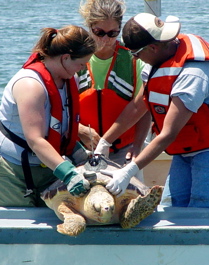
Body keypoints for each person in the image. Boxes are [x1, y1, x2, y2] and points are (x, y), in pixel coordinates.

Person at [95, 13, 209, 208]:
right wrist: (105, 141)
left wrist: (128, 172)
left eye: (136, 54)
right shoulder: (158, 60)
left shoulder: (193, 75)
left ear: (152, 47)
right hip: (188, 147)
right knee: (172, 208)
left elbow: (168, 133)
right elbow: (138, 105)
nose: (135, 59)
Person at [0, 25, 97, 207]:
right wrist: (69, 174)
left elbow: (59, 127)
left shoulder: (70, 79)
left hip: (47, 167)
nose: (83, 69)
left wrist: (80, 155)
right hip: (10, 169)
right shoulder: (30, 85)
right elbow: (35, 140)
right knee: (13, 229)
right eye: (81, 63)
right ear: (65, 58)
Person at [77, 0, 151, 176]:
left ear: (120, 29)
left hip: (123, 150)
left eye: (112, 33)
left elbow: (144, 108)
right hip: (79, 149)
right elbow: (56, 106)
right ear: (89, 26)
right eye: (99, 32)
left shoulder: (134, 60)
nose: (105, 39)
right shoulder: (74, 57)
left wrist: (138, 145)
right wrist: (78, 129)